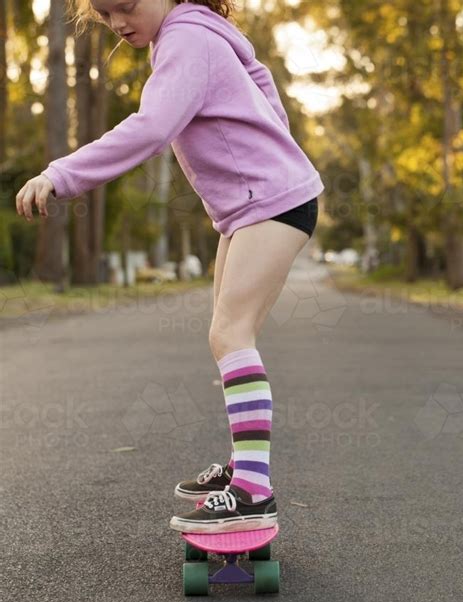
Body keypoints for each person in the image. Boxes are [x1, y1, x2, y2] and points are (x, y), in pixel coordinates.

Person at [15, 0, 324, 534]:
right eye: (106, 16)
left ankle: (253, 490)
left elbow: (151, 129)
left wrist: (61, 173)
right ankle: (246, 470)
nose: (117, 24)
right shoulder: (198, 35)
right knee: (227, 334)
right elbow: (263, 80)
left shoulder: (185, 39)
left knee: (232, 334)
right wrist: (277, 151)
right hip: (260, 204)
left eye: (126, 7)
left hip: (269, 202)